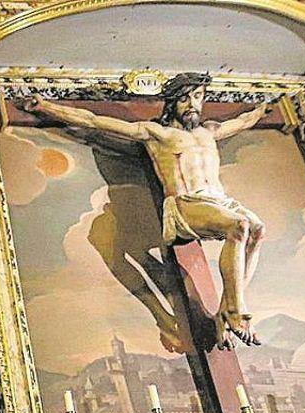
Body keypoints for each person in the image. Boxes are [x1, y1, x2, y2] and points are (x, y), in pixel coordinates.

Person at [23, 73, 269, 348]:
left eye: (198, 97)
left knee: (258, 230)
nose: (193, 105)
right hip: (187, 204)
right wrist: (45, 107)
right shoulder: (156, 134)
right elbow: (93, 121)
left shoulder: (209, 131)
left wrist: (263, 107)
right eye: (185, 98)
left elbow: (244, 121)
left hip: (220, 202)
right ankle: (237, 311)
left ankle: (227, 310)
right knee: (240, 226)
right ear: (172, 102)